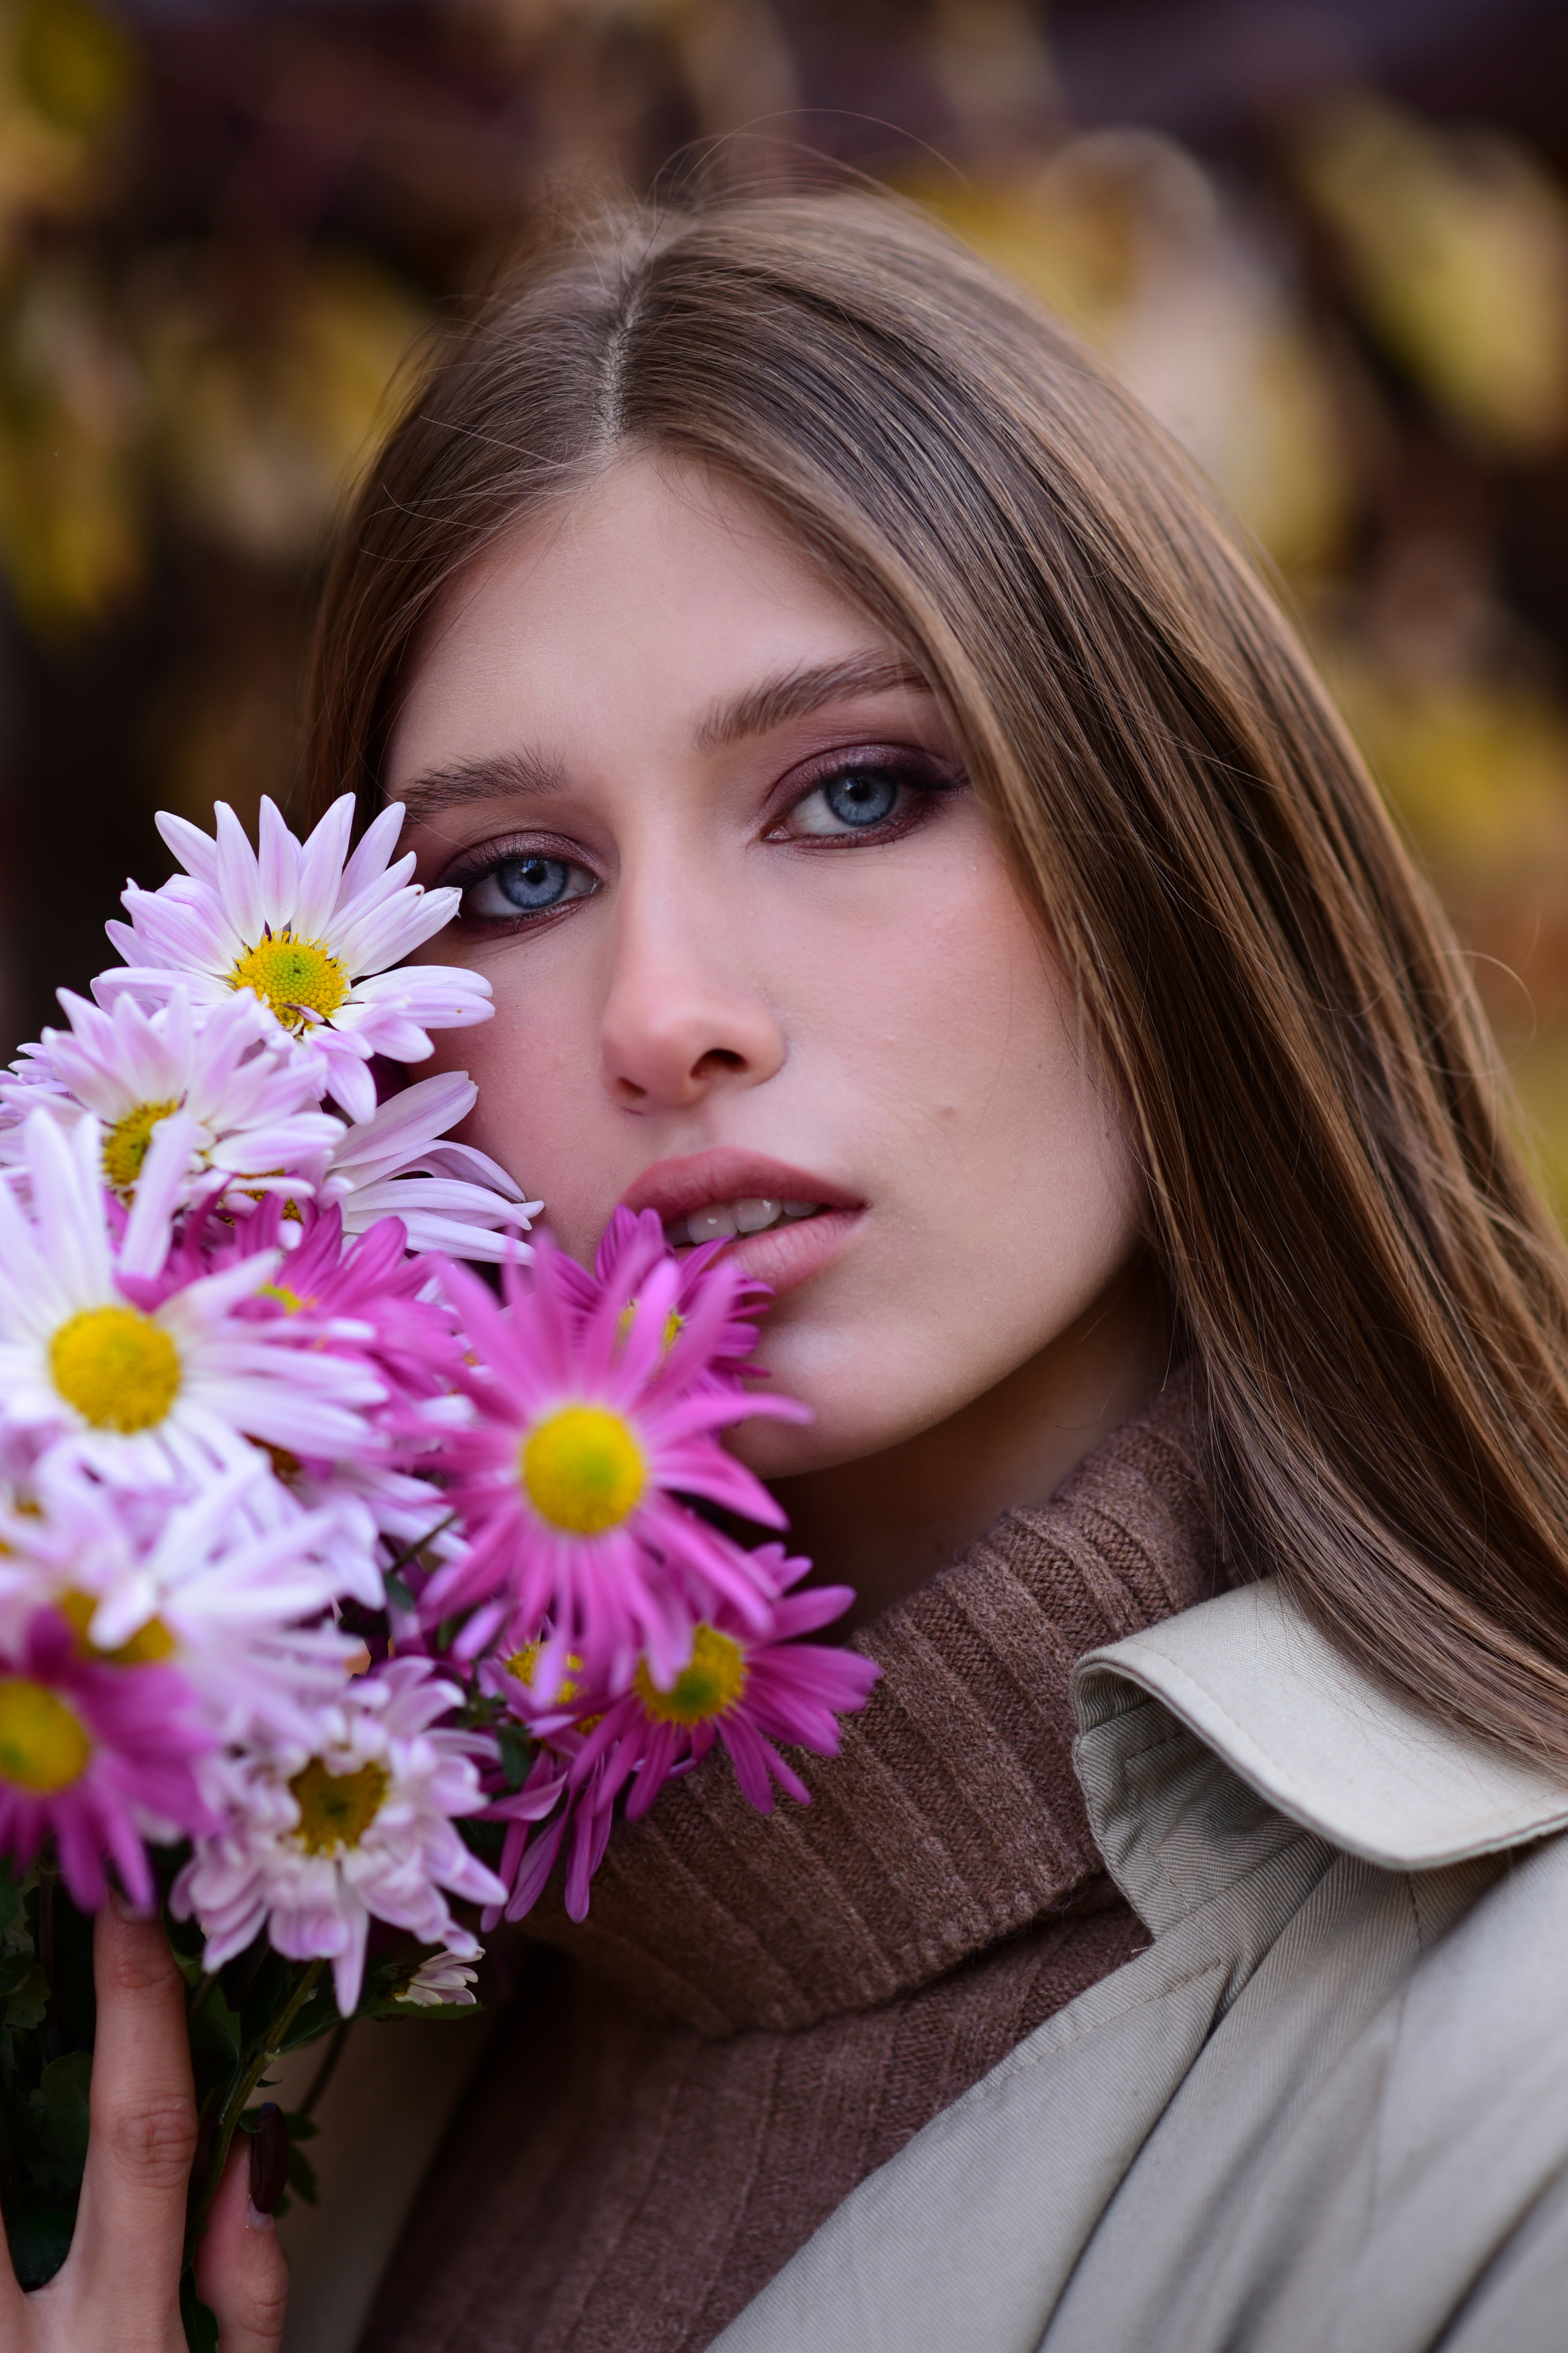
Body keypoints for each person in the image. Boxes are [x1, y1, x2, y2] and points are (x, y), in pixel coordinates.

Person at [21, 184, 1568, 2353]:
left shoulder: (1516, 2088)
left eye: (852, 793)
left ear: (1168, 845)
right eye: (523, 875)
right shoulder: (283, 2005)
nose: (669, 1008)